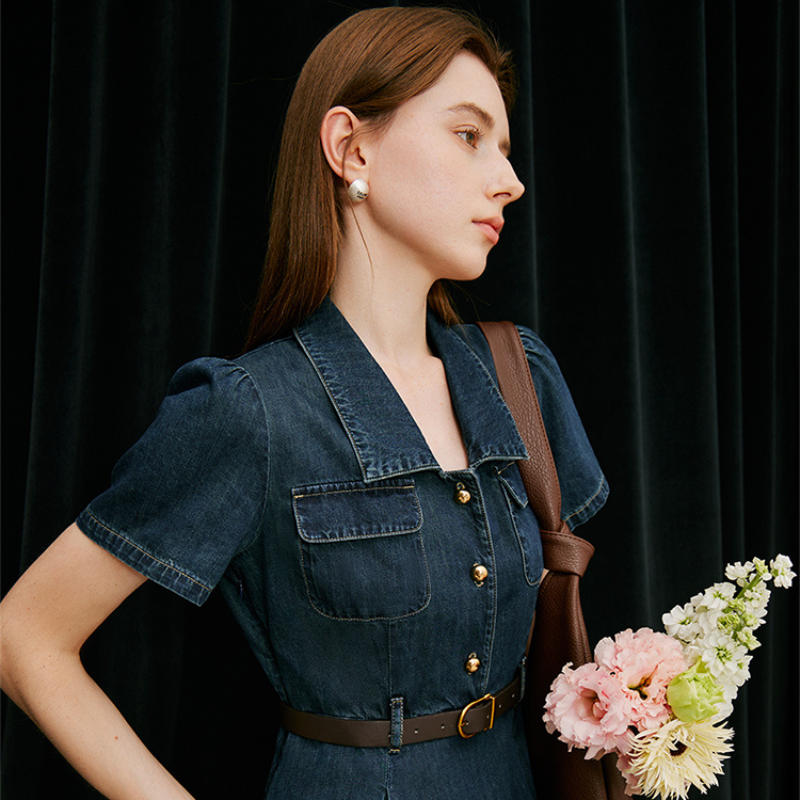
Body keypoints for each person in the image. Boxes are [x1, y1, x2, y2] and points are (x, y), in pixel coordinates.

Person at [0, 7, 608, 799]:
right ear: (351, 148)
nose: (510, 179)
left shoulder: (519, 374)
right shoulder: (248, 410)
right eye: (468, 135)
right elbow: (24, 637)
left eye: (505, 146)